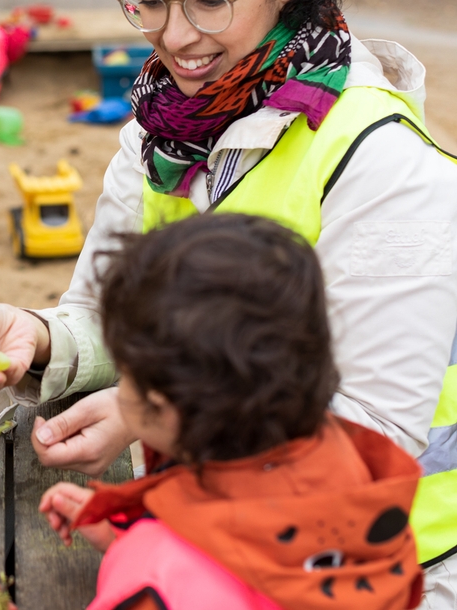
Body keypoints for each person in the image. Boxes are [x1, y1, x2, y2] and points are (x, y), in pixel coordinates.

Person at [0, 0, 457, 603]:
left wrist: (155, 413)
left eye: (209, 0)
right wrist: (46, 338)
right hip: (218, 532)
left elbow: (370, 431)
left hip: (388, 567)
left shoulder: (383, 163)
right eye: (150, 0)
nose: (175, 38)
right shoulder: (163, 132)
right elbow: (120, 318)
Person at [41, 214, 423, 610]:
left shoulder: (154, 574)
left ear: (162, 407)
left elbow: (188, 581)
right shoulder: (354, 476)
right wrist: (132, 530)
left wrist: (145, 547)